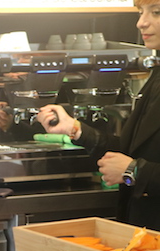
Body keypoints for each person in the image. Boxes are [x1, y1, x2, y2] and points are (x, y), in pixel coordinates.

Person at [35, 0, 160, 230]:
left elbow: (131, 164)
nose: (141, 23)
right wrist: (75, 129)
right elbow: (130, 151)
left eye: (156, 13)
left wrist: (135, 171)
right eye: (141, 12)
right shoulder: (156, 75)